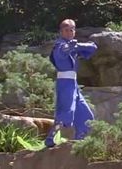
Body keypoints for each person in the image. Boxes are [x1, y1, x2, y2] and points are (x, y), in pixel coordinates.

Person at [45, 19, 98, 147]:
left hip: (73, 84)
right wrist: (71, 47)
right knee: (65, 113)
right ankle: (51, 138)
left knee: (86, 115)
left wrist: (77, 46)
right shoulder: (59, 45)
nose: (70, 32)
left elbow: (93, 47)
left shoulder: (74, 45)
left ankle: (79, 139)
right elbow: (62, 52)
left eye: (72, 29)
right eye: (66, 30)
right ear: (61, 32)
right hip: (64, 83)